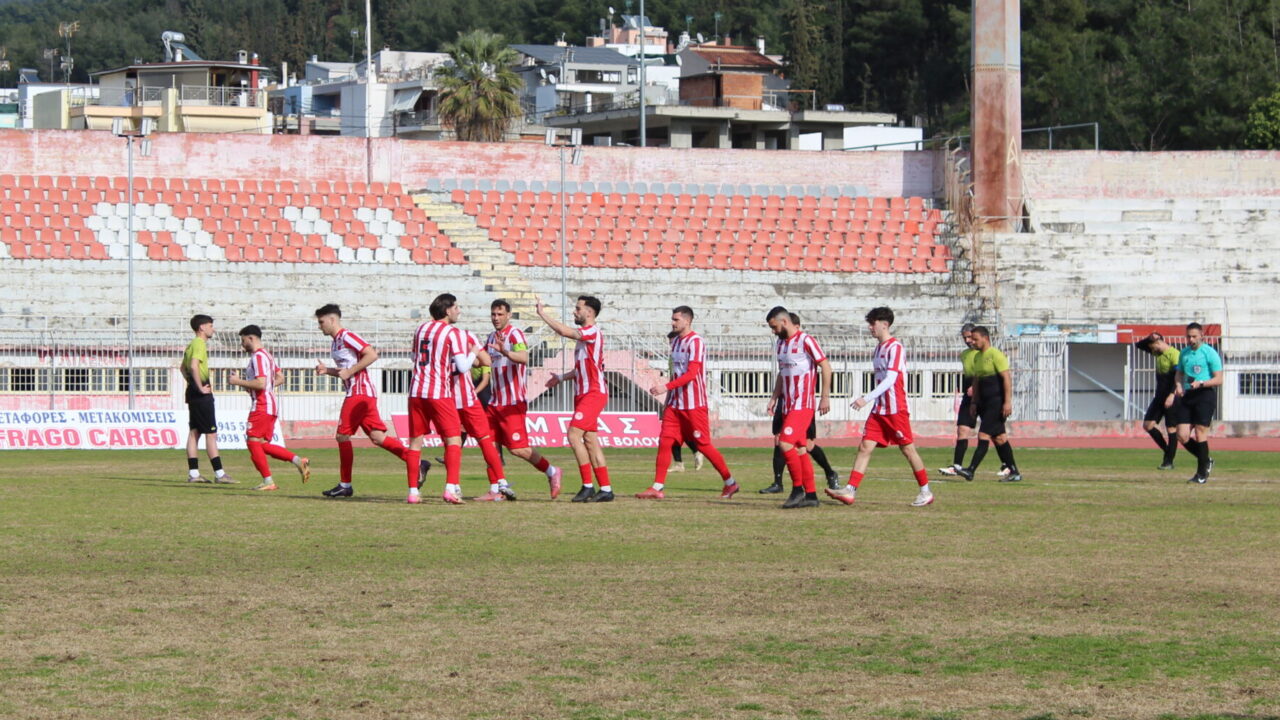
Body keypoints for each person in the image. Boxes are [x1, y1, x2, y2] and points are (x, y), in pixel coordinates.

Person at [827, 307, 933, 507]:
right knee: (865, 446)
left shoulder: (895, 347)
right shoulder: (878, 349)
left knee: (908, 449)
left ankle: (926, 491)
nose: (870, 327)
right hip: (880, 409)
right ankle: (850, 490)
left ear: (885, 324)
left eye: (873, 323)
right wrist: (873, 401)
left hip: (895, 409)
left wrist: (866, 398)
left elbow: (891, 379)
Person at [638, 306, 740, 499]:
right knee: (665, 442)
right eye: (672, 319)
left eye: (676, 319)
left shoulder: (696, 342)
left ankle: (730, 483)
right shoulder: (675, 342)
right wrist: (668, 399)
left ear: (687, 320)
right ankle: (657, 487)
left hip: (694, 404)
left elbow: (692, 374)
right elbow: (676, 373)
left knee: (703, 445)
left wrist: (665, 387)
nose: (672, 322)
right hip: (675, 405)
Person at [313, 304, 412, 498]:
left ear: (332, 320)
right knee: (378, 437)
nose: (320, 326)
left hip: (359, 393)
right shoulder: (335, 342)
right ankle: (414, 461)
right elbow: (345, 371)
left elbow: (371, 354)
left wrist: (349, 372)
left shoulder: (347, 336)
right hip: (362, 393)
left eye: (321, 322)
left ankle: (345, 484)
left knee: (342, 436)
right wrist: (329, 371)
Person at [405, 293, 485, 505]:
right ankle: (450, 488)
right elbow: (463, 366)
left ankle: (413, 492)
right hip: (439, 392)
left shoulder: (421, 329)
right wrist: (474, 351)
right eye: (456, 307)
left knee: (415, 442)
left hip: (416, 391)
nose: (459, 311)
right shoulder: (453, 333)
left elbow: (414, 357)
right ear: (448, 310)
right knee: (453, 440)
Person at [537, 295, 613, 503]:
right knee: (589, 440)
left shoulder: (591, 332)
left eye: (578, 308)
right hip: (584, 393)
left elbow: (563, 331)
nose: (574, 312)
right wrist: (561, 378)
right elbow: (580, 368)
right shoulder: (585, 339)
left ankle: (587, 485)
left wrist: (543, 314)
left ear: (589, 312)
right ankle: (605, 489)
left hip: (593, 392)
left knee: (573, 434)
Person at [485, 299, 563, 498]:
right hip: (495, 402)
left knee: (518, 449)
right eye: (493, 314)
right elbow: (484, 361)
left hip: (512, 403)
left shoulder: (515, 334)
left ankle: (552, 471)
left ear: (509, 315)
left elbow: (524, 357)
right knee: (490, 446)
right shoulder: (490, 338)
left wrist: (505, 351)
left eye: (500, 314)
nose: (496, 318)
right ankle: (497, 489)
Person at [760, 313, 840, 494]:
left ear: (784, 322)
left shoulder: (806, 341)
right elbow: (782, 373)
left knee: (786, 443)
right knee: (801, 448)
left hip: (802, 405)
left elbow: (825, 366)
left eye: (774, 327)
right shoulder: (780, 344)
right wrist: (774, 397)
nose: (773, 332)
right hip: (786, 405)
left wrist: (825, 397)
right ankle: (811, 494)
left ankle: (797, 490)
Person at [227, 325, 310, 491]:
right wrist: (262, 386)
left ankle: (268, 481)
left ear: (251, 338)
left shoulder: (258, 357)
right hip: (270, 405)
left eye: (243, 341)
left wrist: (238, 382)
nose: (242, 345)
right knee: (262, 445)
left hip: (261, 405)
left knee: (252, 442)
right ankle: (297, 461)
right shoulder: (268, 356)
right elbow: (280, 377)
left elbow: (261, 383)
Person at [445, 317, 509, 502]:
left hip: (446, 400)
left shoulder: (433, 337)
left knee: (452, 443)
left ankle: (454, 486)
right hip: (467, 399)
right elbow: (486, 360)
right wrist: (471, 358)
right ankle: (501, 483)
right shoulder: (465, 335)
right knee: (485, 441)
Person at [955, 326, 1022, 482]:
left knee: (983, 435)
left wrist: (1007, 402)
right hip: (984, 403)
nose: (972, 341)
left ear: (985, 338)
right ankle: (1014, 472)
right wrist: (974, 402)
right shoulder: (977, 357)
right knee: (999, 438)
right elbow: (977, 381)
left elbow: (1006, 378)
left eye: (975, 339)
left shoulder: (996, 355)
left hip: (996, 402)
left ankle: (971, 470)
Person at [180, 314, 235, 484]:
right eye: (211, 325)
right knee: (211, 433)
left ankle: (194, 474)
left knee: (194, 432)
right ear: (202, 327)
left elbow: (183, 368)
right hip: (201, 391)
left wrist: (191, 384)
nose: (213, 329)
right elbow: (193, 365)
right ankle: (220, 474)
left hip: (192, 392)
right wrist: (200, 386)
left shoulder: (190, 345)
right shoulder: (199, 343)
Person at [1170, 322, 1222, 484]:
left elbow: (1219, 379)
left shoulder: (1209, 353)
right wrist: (1178, 385)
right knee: (1182, 435)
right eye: (1188, 336)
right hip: (1188, 395)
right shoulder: (1184, 353)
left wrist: (1201, 383)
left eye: (1194, 336)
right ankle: (1206, 460)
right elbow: (1179, 374)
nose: (1191, 339)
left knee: (1200, 433)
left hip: (1204, 395)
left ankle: (1201, 475)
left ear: (1201, 336)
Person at [1136, 332, 1182, 470]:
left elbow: (1178, 377)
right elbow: (1139, 345)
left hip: (1171, 396)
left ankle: (1168, 461)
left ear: (1158, 343)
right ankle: (1168, 451)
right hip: (1159, 396)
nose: (1151, 350)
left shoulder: (1174, 354)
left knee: (1171, 428)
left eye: (1152, 346)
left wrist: (1172, 395)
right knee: (1148, 425)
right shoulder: (1158, 354)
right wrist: (1152, 337)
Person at [939, 323, 978, 477]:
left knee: (994, 434)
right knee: (962, 429)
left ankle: (1008, 465)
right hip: (968, 397)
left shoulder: (987, 354)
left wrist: (977, 387)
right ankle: (956, 466)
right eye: (965, 337)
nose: (967, 340)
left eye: (970, 336)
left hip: (984, 397)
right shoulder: (964, 354)